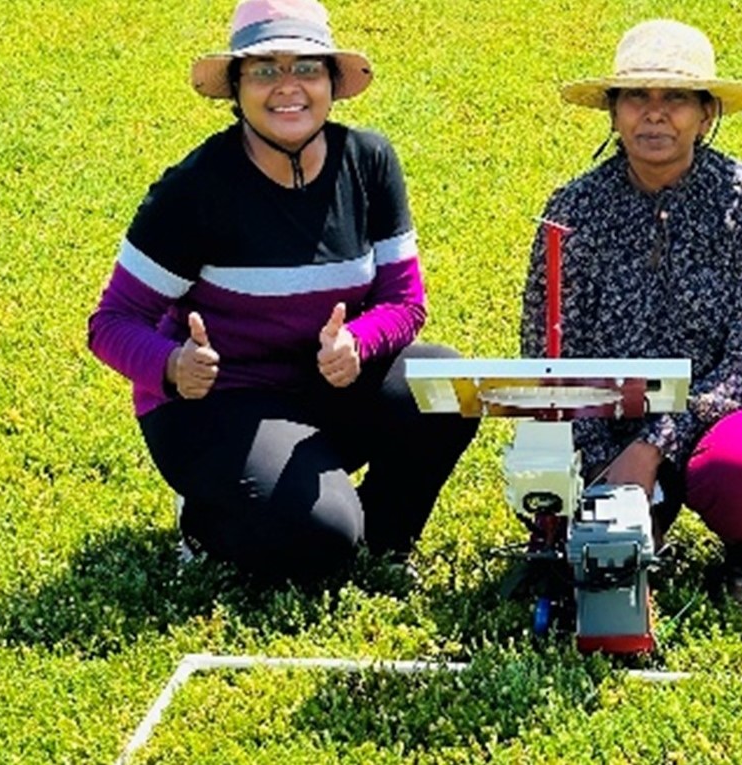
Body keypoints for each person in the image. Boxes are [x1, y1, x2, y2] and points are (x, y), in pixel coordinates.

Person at [88, 0, 477, 586]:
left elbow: (405, 302)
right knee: (320, 541)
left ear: (331, 83)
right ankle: (209, 519)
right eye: (265, 69)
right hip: (220, 401)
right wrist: (172, 364)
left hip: (327, 385)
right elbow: (111, 322)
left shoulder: (368, 162)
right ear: (237, 88)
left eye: (307, 68)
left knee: (446, 383)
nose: (287, 87)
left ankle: (386, 541)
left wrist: (357, 343)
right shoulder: (195, 190)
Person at [521, 19, 742, 608]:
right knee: (579, 546)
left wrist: (654, 445)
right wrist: (605, 465)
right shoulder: (572, 209)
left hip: (726, 408)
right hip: (607, 416)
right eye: (637, 97)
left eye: (675, 97)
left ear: (706, 113)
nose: (655, 114)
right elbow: (548, 353)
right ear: (614, 111)